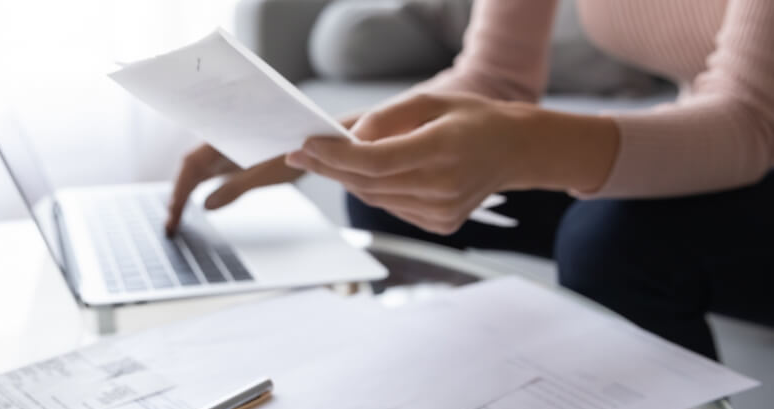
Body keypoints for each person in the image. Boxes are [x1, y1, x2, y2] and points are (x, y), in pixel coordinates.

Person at [166, 0, 774, 361]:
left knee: (616, 240)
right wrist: (305, 138)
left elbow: (749, 119)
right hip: (723, 143)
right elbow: (493, 77)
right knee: (392, 188)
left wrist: (521, 144)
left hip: (750, 142)